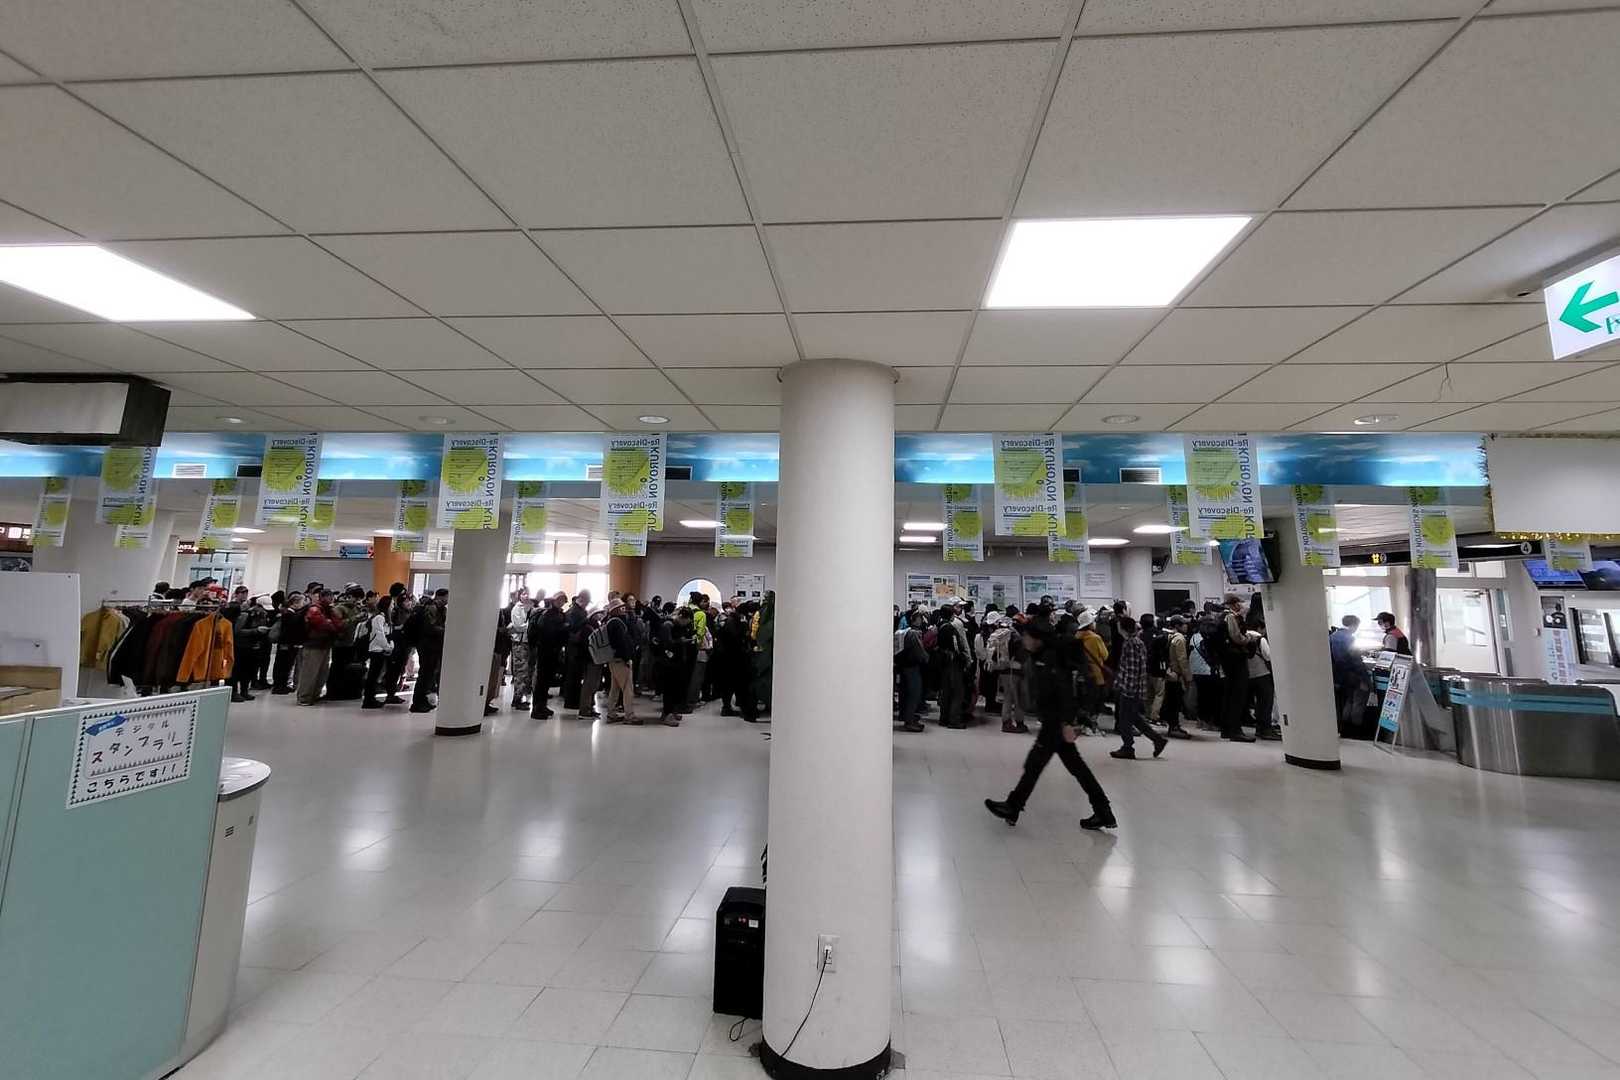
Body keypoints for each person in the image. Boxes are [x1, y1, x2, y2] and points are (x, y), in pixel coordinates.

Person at [984, 622, 1115, 831]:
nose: (1024, 640)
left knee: (1035, 765)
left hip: (1056, 722)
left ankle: (1013, 806)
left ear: (1036, 638)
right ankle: (1103, 811)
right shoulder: (1045, 655)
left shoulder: (1049, 657)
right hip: (1055, 721)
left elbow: (1062, 691)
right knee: (1075, 768)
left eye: (1026, 636)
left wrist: (1067, 723)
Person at [1111, 615, 1167, 760]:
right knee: (1134, 717)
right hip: (1137, 687)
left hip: (1130, 688)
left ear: (1123, 628)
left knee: (1124, 719)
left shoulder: (1129, 643)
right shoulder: (1138, 642)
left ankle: (1128, 747)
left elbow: (1131, 669)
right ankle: (1157, 739)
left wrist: (1124, 688)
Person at [1218, 593, 1257, 742]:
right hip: (1236, 660)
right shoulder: (1231, 617)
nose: (1240, 606)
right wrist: (1250, 638)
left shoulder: (1221, 616)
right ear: (1234, 604)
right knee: (1238, 695)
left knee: (1229, 695)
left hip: (1227, 660)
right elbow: (1237, 637)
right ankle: (1235, 730)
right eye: (1238, 603)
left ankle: (1226, 729)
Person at [297, 588, 340, 707]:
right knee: (310, 673)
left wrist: (331, 623)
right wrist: (331, 623)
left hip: (324, 645)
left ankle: (314, 695)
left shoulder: (328, 610)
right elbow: (323, 625)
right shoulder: (314, 609)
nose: (331, 599)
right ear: (322, 597)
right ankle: (304, 697)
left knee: (322, 673)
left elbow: (337, 624)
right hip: (313, 645)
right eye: (329, 596)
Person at [530, 592, 568, 720]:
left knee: (547, 680)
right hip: (545, 651)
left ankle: (542, 705)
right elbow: (546, 632)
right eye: (559, 600)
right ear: (553, 600)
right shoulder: (547, 614)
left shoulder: (559, 614)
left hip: (554, 651)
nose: (561, 602)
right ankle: (537, 708)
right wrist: (562, 628)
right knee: (542, 680)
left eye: (563, 600)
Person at [410, 589, 448, 713]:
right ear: (441, 597)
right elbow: (429, 627)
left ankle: (422, 699)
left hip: (433, 646)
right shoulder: (431, 608)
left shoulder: (440, 609)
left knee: (429, 674)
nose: (448, 600)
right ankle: (417, 702)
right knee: (425, 674)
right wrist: (445, 630)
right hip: (427, 646)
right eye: (447, 597)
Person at [603, 600, 640, 724]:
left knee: (615, 688)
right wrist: (627, 659)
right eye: (621, 607)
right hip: (621, 660)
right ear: (615, 610)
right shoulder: (617, 623)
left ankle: (611, 713)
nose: (624, 609)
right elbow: (621, 643)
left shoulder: (610, 622)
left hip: (613, 659)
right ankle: (629, 715)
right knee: (627, 688)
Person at [230, 595, 273, 703]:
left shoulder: (263, 616)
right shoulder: (245, 615)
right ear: (257, 606)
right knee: (237, 670)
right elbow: (237, 631)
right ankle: (234, 692)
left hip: (254, 647)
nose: (265, 611)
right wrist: (255, 631)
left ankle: (244, 691)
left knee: (249, 671)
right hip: (241, 647)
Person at [656, 606, 693, 726]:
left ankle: (671, 711)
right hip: (668, 662)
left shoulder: (677, 626)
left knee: (676, 688)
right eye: (686, 621)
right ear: (681, 617)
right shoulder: (668, 625)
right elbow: (666, 643)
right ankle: (667, 713)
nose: (686, 624)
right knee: (669, 689)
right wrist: (680, 641)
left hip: (676, 662)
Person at [1330, 615, 1367, 735]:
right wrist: (1363, 678)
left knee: (1348, 701)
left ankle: (1345, 730)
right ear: (1353, 625)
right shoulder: (1349, 638)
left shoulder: (1333, 636)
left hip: (1339, 675)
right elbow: (1355, 659)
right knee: (1358, 701)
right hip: (1352, 674)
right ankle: (1356, 730)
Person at [1160, 615, 1194, 739]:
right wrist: (1188, 677)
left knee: (1172, 701)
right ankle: (1174, 727)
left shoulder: (1171, 636)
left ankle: (1174, 726)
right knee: (1175, 702)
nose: (1186, 626)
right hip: (1177, 675)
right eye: (1184, 624)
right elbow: (1182, 659)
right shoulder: (1180, 639)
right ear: (1177, 625)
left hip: (1170, 673)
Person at [895, 610, 928, 732]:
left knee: (906, 693)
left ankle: (906, 716)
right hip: (912, 667)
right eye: (919, 618)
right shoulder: (913, 634)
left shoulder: (903, 632)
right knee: (914, 694)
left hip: (904, 666)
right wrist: (926, 658)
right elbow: (920, 653)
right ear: (913, 620)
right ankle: (909, 721)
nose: (922, 620)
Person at [361, 595, 394, 709]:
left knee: (375, 675)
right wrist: (387, 647)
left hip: (380, 649)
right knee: (373, 675)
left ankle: (370, 698)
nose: (392, 606)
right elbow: (380, 634)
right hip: (376, 649)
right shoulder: (379, 618)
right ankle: (368, 699)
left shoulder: (383, 617)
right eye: (391, 604)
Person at [270, 591, 306, 694]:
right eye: (301, 602)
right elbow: (289, 630)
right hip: (286, 644)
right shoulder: (288, 614)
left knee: (287, 665)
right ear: (295, 603)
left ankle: (283, 684)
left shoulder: (290, 614)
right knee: (283, 665)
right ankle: (279, 686)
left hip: (289, 643)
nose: (302, 604)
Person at [561, 591, 592, 710]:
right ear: (583, 599)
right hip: (574, 647)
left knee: (576, 675)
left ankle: (574, 700)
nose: (587, 604)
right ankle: (571, 702)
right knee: (573, 675)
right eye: (587, 602)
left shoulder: (577, 611)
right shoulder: (574, 612)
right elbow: (572, 628)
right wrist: (586, 619)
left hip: (578, 647)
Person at [507, 593, 534, 711]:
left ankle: (519, 697)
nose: (526, 596)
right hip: (519, 643)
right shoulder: (517, 609)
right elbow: (518, 626)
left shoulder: (529, 608)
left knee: (525, 672)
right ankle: (517, 699)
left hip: (527, 642)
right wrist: (530, 625)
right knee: (520, 671)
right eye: (524, 594)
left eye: (528, 593)